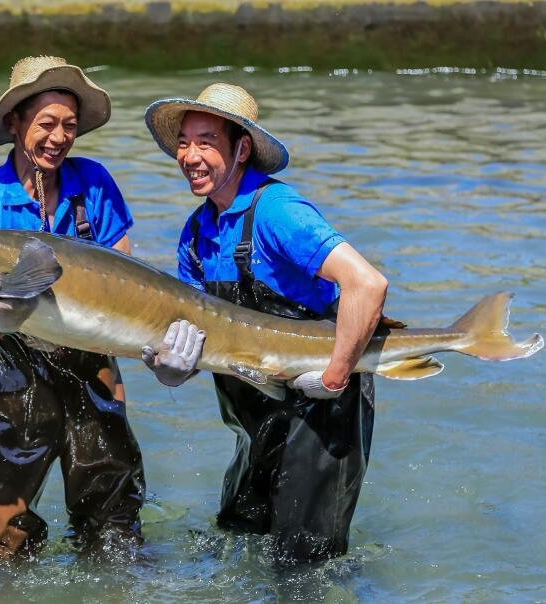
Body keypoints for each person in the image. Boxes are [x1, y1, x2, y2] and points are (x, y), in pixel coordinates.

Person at [140, 83, 388, 562]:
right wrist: (171, 368)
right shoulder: (195, 234)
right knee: (239, 536)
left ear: (242, 149)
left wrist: (335, 378)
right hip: (255, 419)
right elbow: (199, 338)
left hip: (322, 411)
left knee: (304, 568)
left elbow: (367, 285)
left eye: (206, 141)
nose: (189, 155)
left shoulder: (277, 210)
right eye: (184, 143)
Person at [0, 56, 144, 557]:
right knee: (2, 534)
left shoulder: (94, 183)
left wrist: (145, 354)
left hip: (91, 363)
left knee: (114, 521)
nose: (59, 138)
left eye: (70, 126)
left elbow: (127, 279)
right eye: (47, 123)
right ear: (15, 123)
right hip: (11, 375)